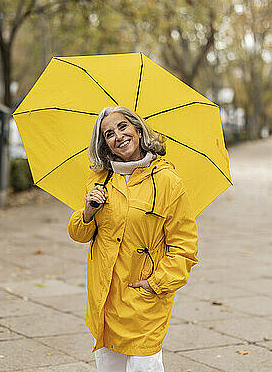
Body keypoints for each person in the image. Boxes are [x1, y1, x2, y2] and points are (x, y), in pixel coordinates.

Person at [68, 106, 199, 372]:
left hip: (144, 300)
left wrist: (156, 283)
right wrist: (88, 211)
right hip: (106, 299)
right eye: (108, 134)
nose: (118, 136)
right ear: (105, 145)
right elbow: (79, 234)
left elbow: (184, 247)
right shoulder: (100, 180)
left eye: (123, 127)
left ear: (138, 131)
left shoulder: (168, 182)